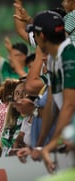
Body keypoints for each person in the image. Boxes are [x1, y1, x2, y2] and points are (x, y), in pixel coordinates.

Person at [26, 10, 75, 173]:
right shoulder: (55, 58)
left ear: (42, 36)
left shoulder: (69, 55)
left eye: (34, 34)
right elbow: (50, 104)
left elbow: (69, 105)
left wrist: (51, 145)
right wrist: (39, 146)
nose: (33, 38)